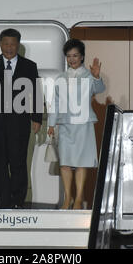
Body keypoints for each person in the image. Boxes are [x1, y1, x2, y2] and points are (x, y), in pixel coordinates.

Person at [0, 28, 42, 209]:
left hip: (20, 123)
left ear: (18, 45)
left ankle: (18, 201)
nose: (9, 47)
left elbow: (36, 93)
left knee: (19, 163)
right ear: (0, 44)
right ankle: (2, 203)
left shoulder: (29, 66)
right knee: (0, 164)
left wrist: (37, 118)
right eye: (6, 43)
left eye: (13, 44)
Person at [47, 38, 105, 210]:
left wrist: (96, 76)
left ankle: (79, 198)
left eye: (75, 56)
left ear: (82, 57)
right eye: (68, 56)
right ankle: (68, 198)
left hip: (83, 123)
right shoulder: (61, 78)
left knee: (81, 162)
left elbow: (99, 89)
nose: (72, 59)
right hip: (64, 124)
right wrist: (51, 123)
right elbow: (55, 102)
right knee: (65, 162)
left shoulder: (89, 75)